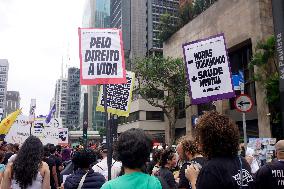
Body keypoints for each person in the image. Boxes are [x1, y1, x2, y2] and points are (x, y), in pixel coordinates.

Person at [185, 111, 254, 189]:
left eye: (200, 137)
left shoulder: (210, 169)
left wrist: (193, 180)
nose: (198, 141)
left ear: (208, 139)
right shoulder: (241, 161)